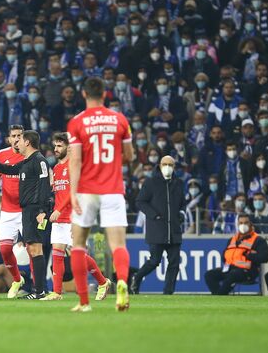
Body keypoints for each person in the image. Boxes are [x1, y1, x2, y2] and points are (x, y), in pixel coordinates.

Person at [67, 77, 134, 312]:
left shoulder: (77, 123)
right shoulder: (120, 120)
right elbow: (130, 155)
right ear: (104, 94)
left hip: (86, 190)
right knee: (118, 244)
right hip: (113, 189)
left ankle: (84, 302)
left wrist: (72, 193)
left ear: (84, 95)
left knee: (77, 244)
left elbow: (75, 160)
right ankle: (123, 282)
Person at [0, 130, 53, 300]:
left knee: (35, 249)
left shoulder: (40, 161)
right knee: (33, 248)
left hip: (35, 211)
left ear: (28, 142)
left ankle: (40, 291)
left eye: (20, 139)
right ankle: (38, 291)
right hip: (27, 211)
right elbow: (6, 169)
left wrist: (43, 211)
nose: (17, 142)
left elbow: (45, 187)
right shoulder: (26, 162)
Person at [44, 132, 112, 301]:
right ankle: (56, 292)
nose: (56, 149)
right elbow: (60, 193)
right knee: (57, 254)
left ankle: (103, 282)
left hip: (75, 217)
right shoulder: (57, 168)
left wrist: (58, 209)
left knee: (78, 256)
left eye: (60, 145)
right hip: (59, 218)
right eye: (55, 145)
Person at [132, 155, 185, 295]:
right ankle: (137, 277)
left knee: (174, 263)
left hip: (174, 230)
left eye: (170, 164)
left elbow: (182, 203)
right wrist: (154, 215)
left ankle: (168, 293)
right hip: (157, 230)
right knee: (154, 261)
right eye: (165, 164)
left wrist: (181, 214)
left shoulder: (178, 183)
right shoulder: (151, 182)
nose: (167, 167)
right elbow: (140, 201)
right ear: (160, 165)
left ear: (174, 167)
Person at [0, 124, 26, 297]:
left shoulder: (30, 154)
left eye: (19, 135)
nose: (16, 138)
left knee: (33, 249)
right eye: (14, 136)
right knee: (4, 249)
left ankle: (39, 288)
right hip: (8, 210)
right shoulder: (2, 154)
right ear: (9, 138)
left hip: (27, 209)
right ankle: (17, 279)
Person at [205, 215, 268, 295]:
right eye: (241, 223)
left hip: (248, 271)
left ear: (251, 224)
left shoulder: (258, 240)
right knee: (209, 275)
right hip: (230, 268)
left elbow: (265, 257)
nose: (243, 225)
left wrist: (249, 255)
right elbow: (224, 257)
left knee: (232, 275)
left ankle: (219, 296)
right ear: (238, 224)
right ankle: (219, 295)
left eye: (246, 223)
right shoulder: (232, 239)